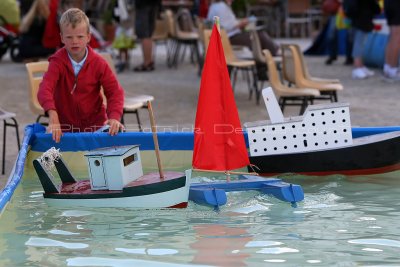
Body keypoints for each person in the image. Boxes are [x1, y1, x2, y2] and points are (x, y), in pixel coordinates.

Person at [38, 8, 125, 143]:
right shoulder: (57, 62)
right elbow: (45, 89)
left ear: (88, 37)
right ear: (61, 38)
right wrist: (52, 114)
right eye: (69, 37)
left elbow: (115, 92)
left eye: (80, 36)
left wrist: (114, 117)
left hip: (96, 126)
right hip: (65, 129)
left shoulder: (99, 63)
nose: (74, 41)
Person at [207, 0, 279, 56]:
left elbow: (224, 24)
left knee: (258, 39)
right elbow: (225, 27)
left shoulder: (215, 6)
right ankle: (273, 55)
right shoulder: (221, 7)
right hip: (229, 37)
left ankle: (265, 63)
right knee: (259, 37)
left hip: (228, 37)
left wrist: (240, 24)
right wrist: (240, 24)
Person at [343, 0, 380, 79]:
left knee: (361, 43)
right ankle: (357, 67)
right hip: (360, 17)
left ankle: (360, 66)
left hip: (360, 16)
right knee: (359, 43)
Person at [133, 0, 161, 72]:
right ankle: (149, 61)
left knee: (144, 35)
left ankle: (147, 63)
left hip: (143, 5)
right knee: (148, 34)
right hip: (154, 4)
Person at [383, 0, 400, 81]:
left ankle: (388, 67)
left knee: (392, 37)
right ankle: (392, 69)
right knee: (396, 37)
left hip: (389, 4)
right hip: (396, 5)